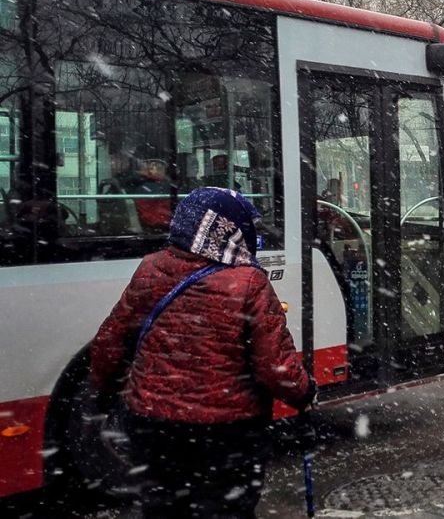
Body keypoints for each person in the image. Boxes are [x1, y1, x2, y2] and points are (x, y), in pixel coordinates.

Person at [89, 187, 316, 519]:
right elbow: (274, 366)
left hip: (152, 426)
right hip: (227, 434)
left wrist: (103, 393)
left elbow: (110, 342)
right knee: (225, 510)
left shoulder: (151, 268)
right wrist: (304, 392)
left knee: (163, 508)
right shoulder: (249, 282)